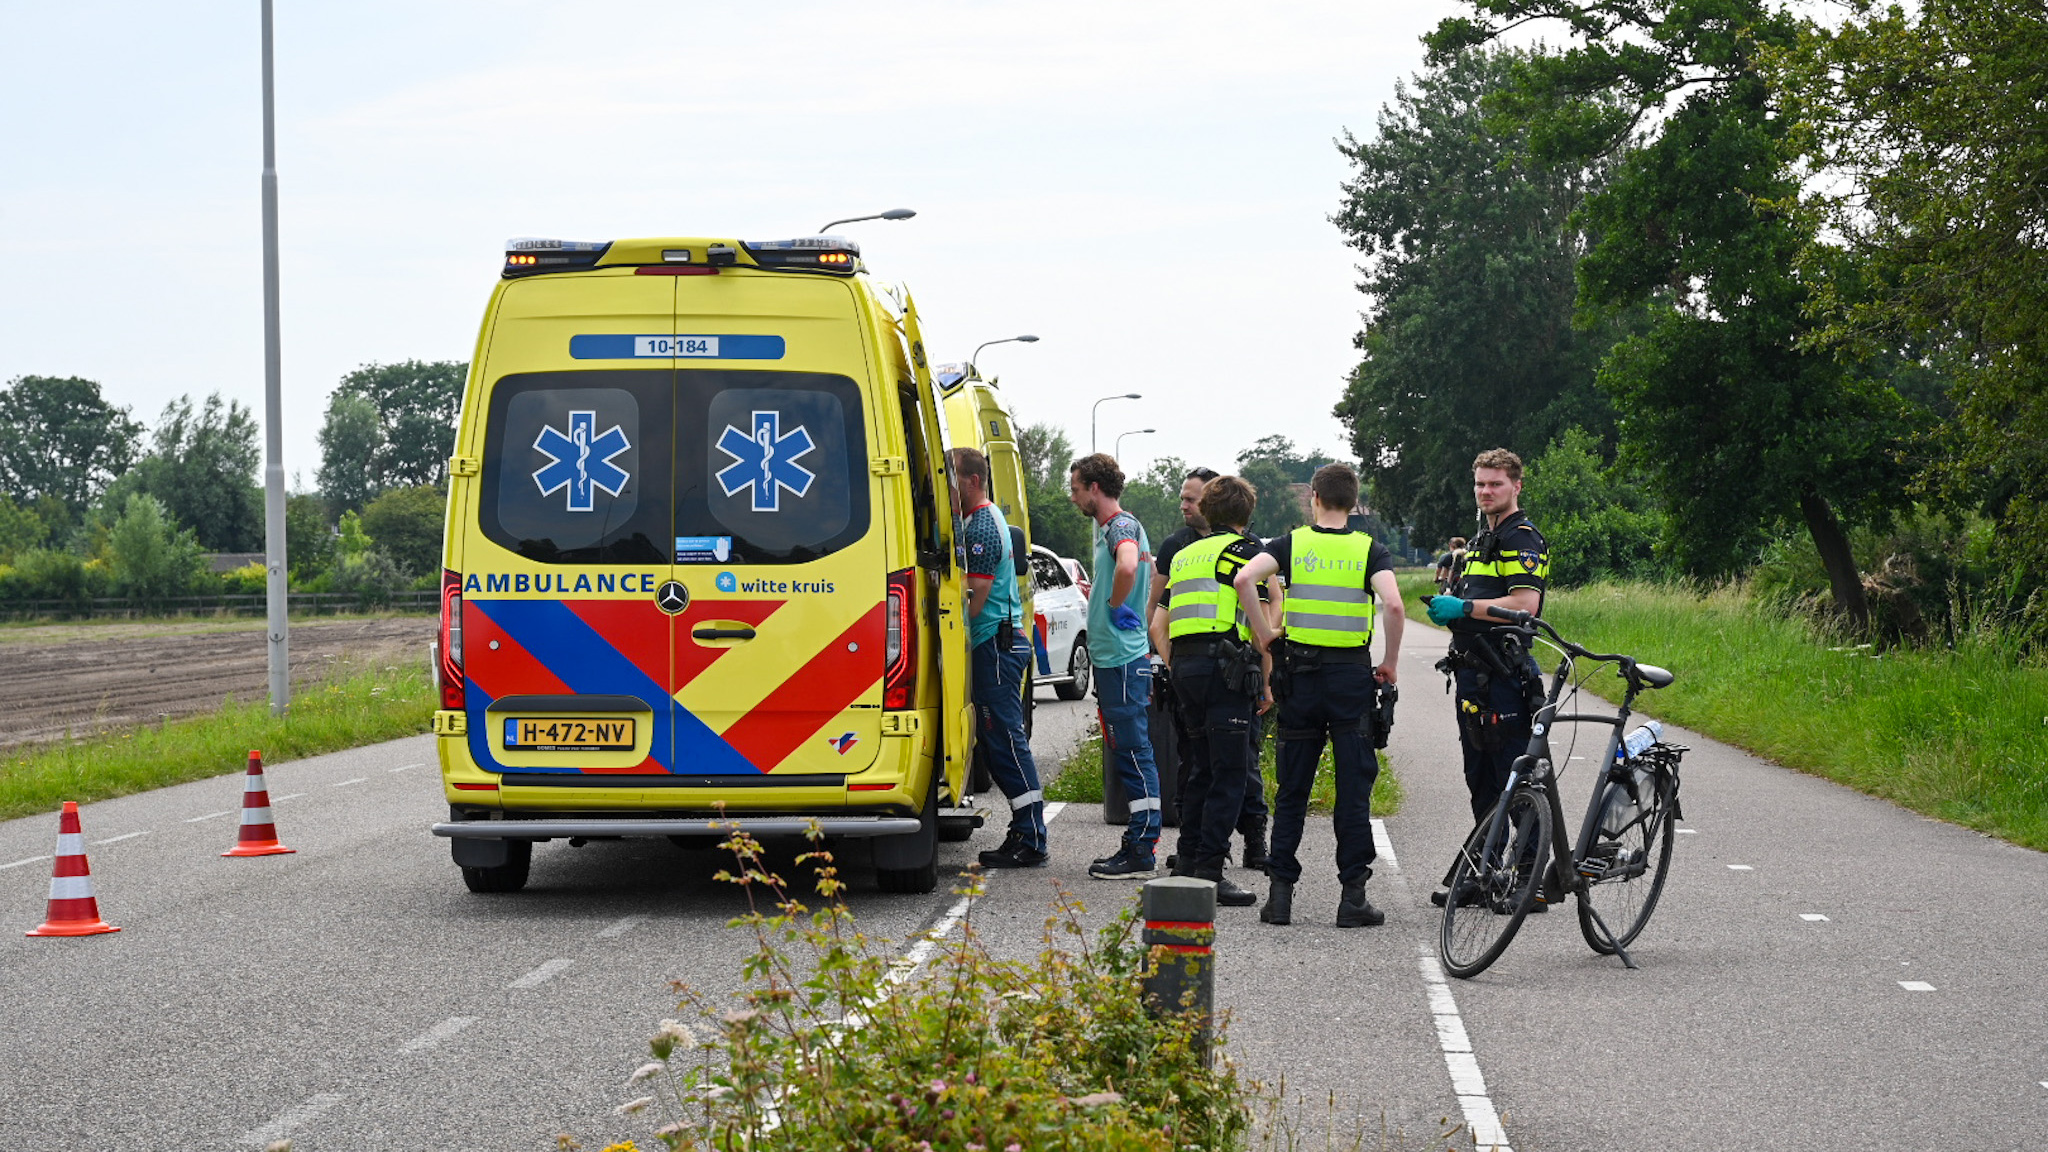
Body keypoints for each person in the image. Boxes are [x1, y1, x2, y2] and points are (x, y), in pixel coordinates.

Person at [1233, 463, 1404, 927]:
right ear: (1352, 501)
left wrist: (1266, 634)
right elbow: (1392, 604)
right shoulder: (1371, 550)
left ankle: (1280, 897)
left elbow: (1244, 580)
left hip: (1301, 677)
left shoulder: (1290, 544)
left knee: (1293, 789)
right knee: (1353, 791)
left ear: (1314, 496)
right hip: (1350, 679)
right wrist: (1388, 662)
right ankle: (1352, 899)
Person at [1424, 448, 1549, 908]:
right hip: (1472, 676)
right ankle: (1485, 870)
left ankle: (1529, 880)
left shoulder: (1522, 539)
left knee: (1516, 780)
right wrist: (1451, 606)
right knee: (1480, 780)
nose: (1485, 492)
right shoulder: (1479, 542)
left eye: (1495, 484)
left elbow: (1524, 606)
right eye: (1480, 484)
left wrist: (1466, 609)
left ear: (1516, 486)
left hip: (1504, 675)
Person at [1148, 466, 1271, 873]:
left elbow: (1156, 624)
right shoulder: (1247, 555)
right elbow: (1263, 628)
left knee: (1199, 767)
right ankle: (1212, 870)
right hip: (1228, 671)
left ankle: (1188, 860)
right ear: (1246, 516)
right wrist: (1268, 682)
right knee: (1231, 773)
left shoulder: (1183, 556)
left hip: (1185, 669)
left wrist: (1179, 665)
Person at [949, 448, 1047, 869]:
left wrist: (945, 634)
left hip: (996, 645)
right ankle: (1025, 831)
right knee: (999, 740)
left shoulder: (984, 526)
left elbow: (975, 595)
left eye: (951, 476)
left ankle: (1032, 836)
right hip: (997, 644)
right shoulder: (977, 522)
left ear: (971, 480)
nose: (946, 485)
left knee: (1005, 740)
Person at [1068, 453, 1161, 880]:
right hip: (1121, 655)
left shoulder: (1120, 527)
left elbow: (1128, 565)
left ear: (1094, 488)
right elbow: (1147, 570)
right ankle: (1141, 841)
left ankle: (1142, 846)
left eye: (1075, 489)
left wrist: (1114, 602)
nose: (1073, 498)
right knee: (1129, 749)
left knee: (1133, 751)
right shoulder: (1125, 527)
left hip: (1121, 659)